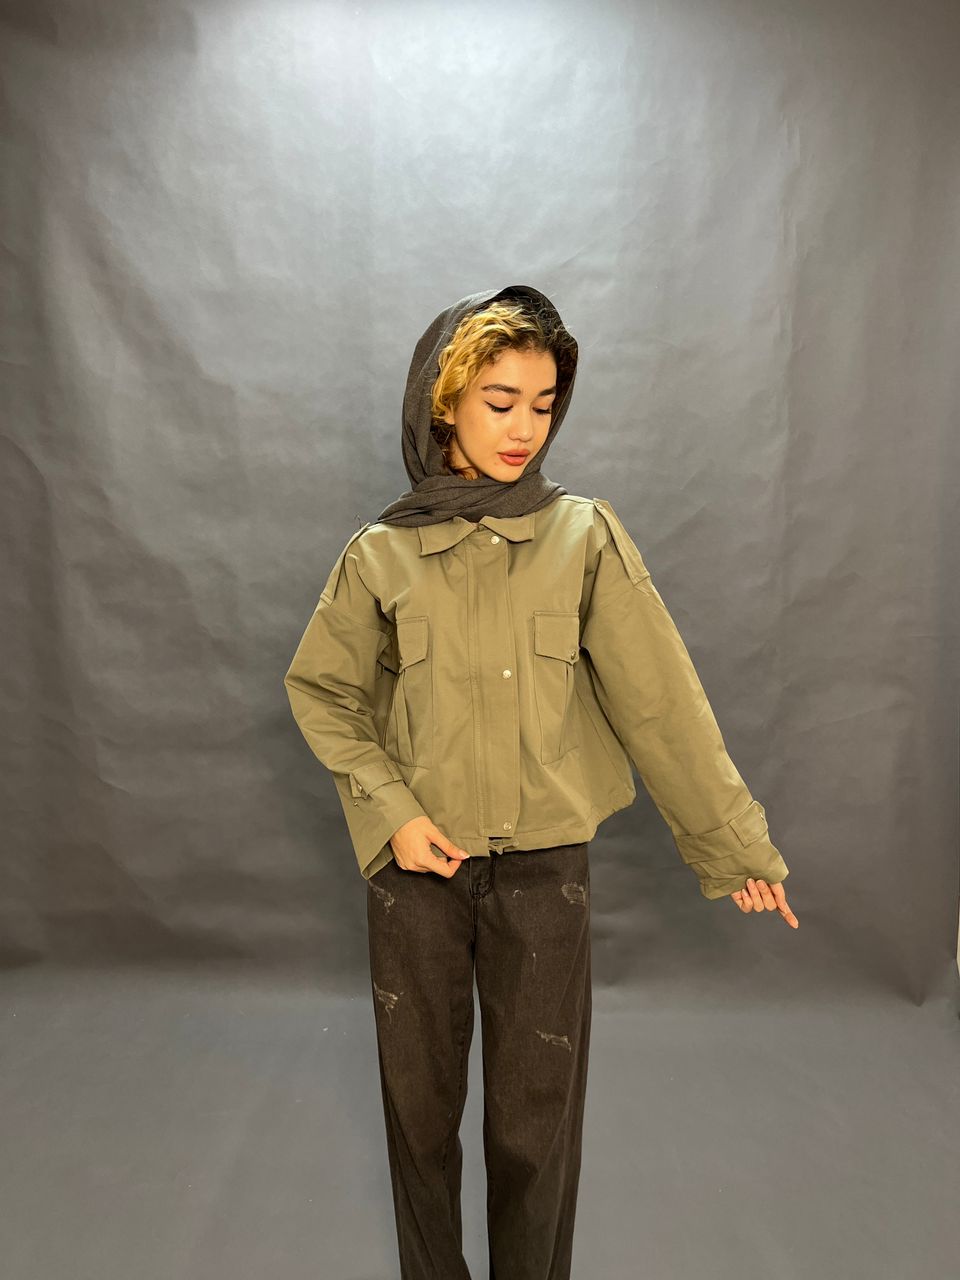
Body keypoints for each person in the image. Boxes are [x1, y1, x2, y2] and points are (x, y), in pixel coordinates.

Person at [283, 283, 798, 1279]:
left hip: (543, 877)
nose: (525, 428)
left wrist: (735, 847)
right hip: (415, 875)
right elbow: (323, 693)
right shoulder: (381, 554)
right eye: (500, 401)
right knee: (419, 1121)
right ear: (445, 404)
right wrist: (394, 815)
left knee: (535, 1130)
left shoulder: (584, 537)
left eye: (544, 404)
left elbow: (662, 703)